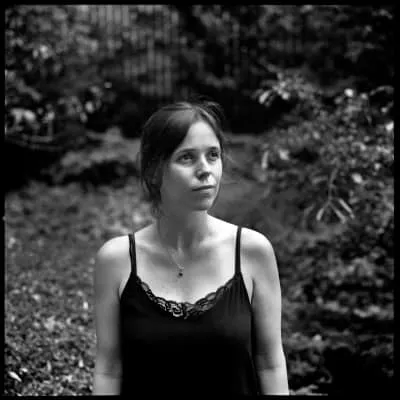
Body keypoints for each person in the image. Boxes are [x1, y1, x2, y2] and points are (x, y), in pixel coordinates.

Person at [92, 100, 289, 395]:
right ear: (155, 170)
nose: (205, 170)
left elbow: (270, 364)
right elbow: (109, 369)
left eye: (213, 155)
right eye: (186, 158)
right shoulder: (116, 260)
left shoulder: (252, 251)